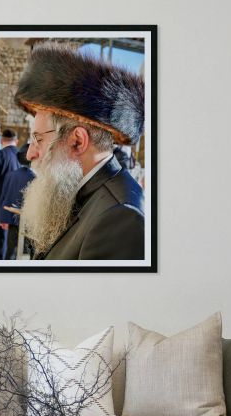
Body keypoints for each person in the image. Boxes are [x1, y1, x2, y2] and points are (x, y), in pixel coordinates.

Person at [13, 43, 145, 261]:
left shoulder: (121, 218)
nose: (29, 154)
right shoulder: (79, 191)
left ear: (77, 141)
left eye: (38, 139)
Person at [0, 165, 35, 259]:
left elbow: (4, 196)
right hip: (27, 219)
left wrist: (2, 218)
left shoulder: (10, 175)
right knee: (28, 250)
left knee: (11, 248)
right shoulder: (34, 176)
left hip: (11, 217)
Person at [0, 129, 21, 203]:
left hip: (0, 203)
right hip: (17, 205)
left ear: (1, 141)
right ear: (16, 141)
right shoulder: (24, 158)